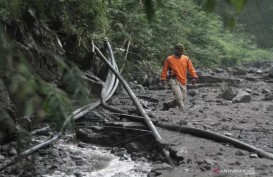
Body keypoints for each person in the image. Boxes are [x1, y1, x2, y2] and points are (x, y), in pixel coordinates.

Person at [160, 43, 198, 111]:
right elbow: (165, 70)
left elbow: (191, 69)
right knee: (179, 98)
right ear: (175, 50)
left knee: (183, 98)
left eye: (182, 51)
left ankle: (168, 105)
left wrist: (194, 77)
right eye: (179, 51)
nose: (181, 52)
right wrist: (163, 79)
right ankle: (183, 111)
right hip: (173, 79)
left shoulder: (186, 59)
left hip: (183, 80)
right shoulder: (169, 59)